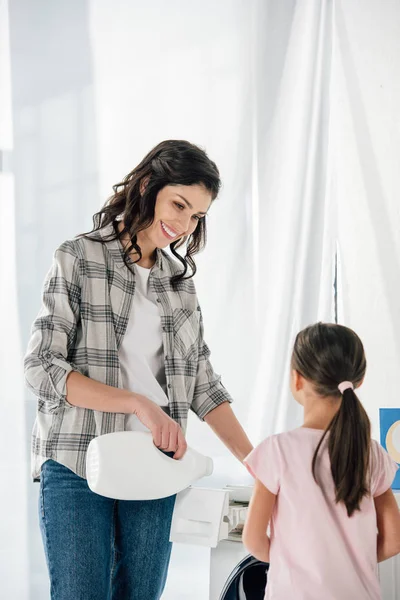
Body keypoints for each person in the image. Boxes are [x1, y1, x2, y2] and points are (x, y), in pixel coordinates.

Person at [24, 139, 253, 600]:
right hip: (76, 461)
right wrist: (138, 404)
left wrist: (261, 464)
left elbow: (204, 384)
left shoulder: (179, 287)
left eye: (196, 216)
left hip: (154, 466)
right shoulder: (78, 257)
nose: (183, 224)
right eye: (179, 204)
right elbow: (41, 367)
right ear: (148, 185)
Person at [243, 322, 400, 600]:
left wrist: (290, 562)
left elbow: (253, 539)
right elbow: (394, 540)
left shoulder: (277, 451)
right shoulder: (373, 453)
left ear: (297, 379)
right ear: (358, 381)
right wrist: (350, 561)